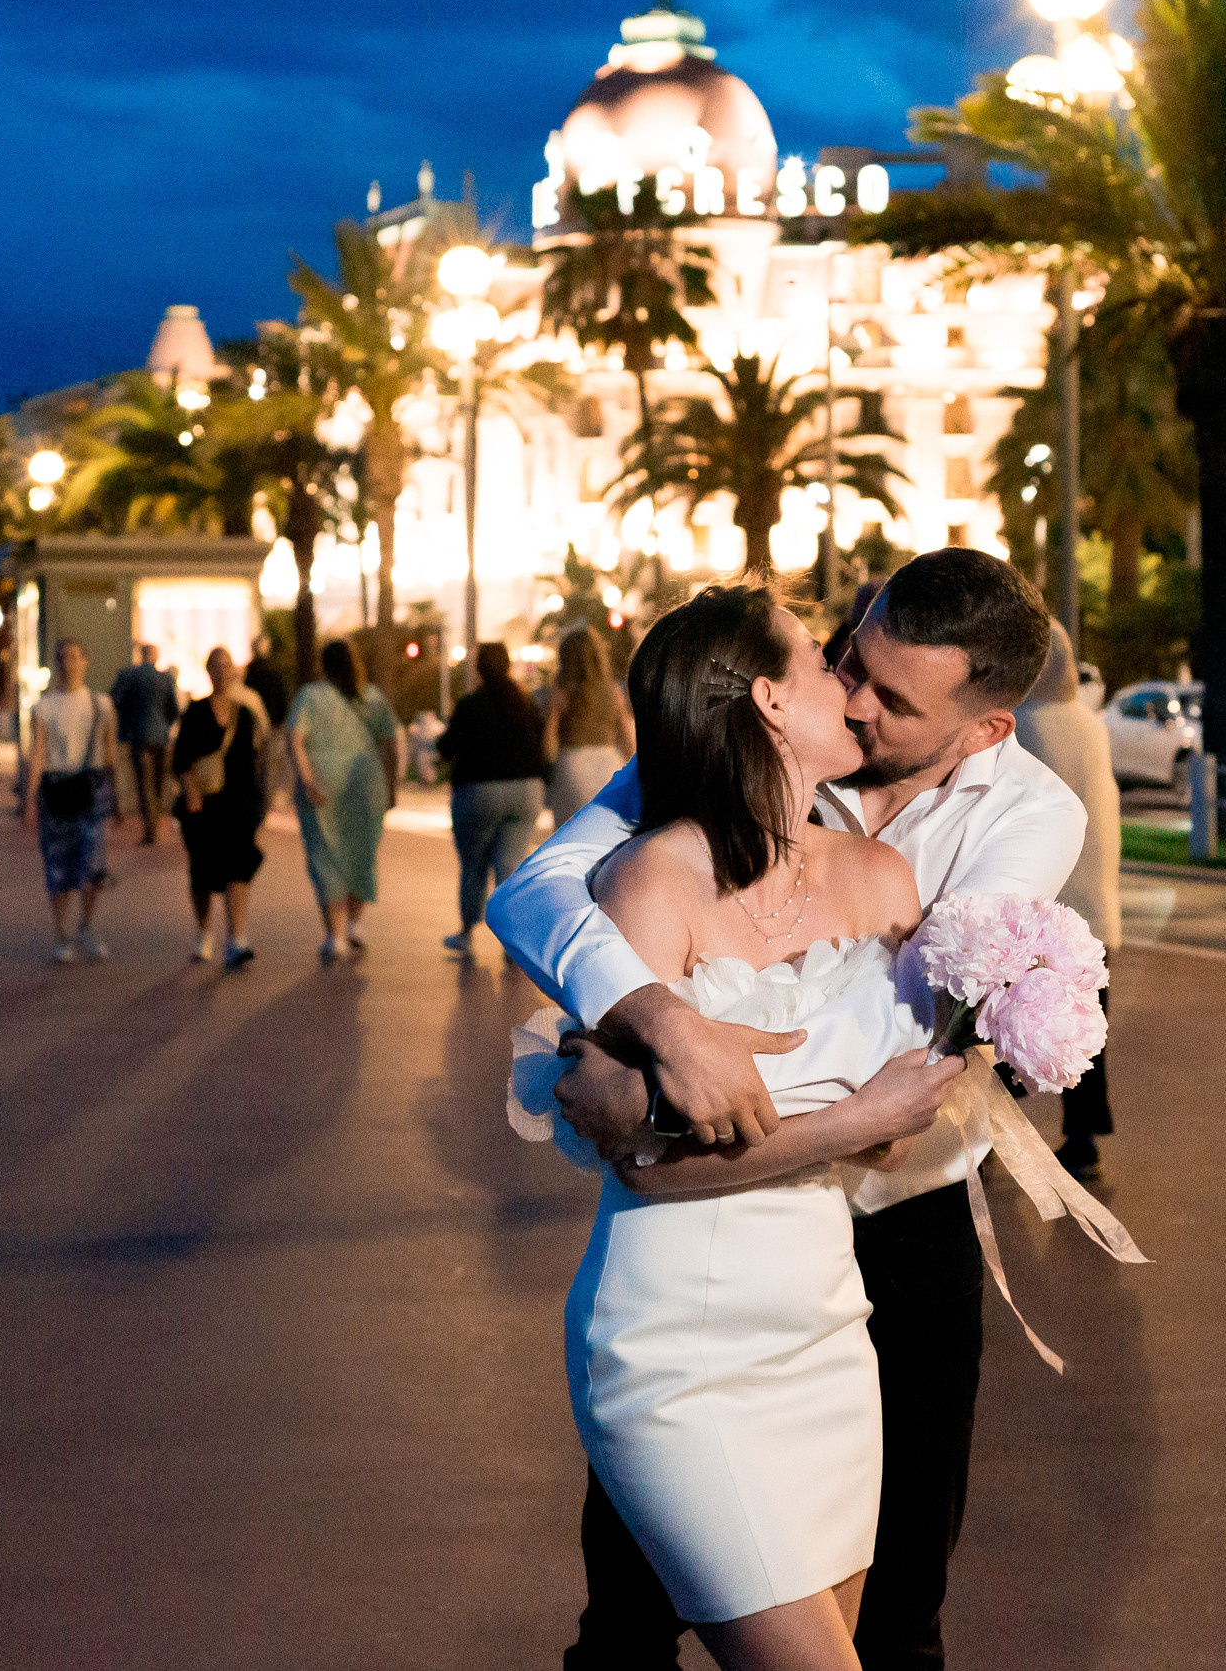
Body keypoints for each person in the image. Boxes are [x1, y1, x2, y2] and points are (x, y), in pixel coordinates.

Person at [489, 549, 1087, 1671]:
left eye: (895, 699)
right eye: (850, 658)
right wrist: (654, 1024)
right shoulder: (744, 745)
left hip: (891, 1243)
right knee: (627, 1612)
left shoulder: (1025, 824)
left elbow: (912, 1062)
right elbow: (536, 887)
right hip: (698, 1277)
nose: (856, 698)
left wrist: (631, 1082)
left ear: (985, 727)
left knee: (895, 1611)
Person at [1010, 623, 1123, 1177]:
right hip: (1094, 902)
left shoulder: (1024, 724)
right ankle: (1083, 1134)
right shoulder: (1091, 724)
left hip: (1044, 901)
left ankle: (992, 1134)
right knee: (1085, 1026)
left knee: (1006, 1021)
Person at [285, 639, 401, 961]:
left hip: (322, 784)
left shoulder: (310, 695)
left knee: (325, 856)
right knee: (361, 853)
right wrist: (392, 786)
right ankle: (352, 926)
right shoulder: (372, 696)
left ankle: (334, 935)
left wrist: (306, 779)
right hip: (366, 784)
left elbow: (295, 738)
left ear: (324, 664)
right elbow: (392, 743)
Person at [436, 642, 546, 956]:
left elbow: (446, 747)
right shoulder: (524, 704)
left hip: (479, 792)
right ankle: (514, 944)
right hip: (526, 790)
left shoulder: (471, 705)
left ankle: (467, 933)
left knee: (474, 865)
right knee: (510, 865)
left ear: (479, 669)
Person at [170, 647, 275, 969]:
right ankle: (204, 934)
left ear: (233, 672)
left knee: (239, 867)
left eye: (226, 666)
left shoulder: (245, 713)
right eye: (215, 667)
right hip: (204, 805)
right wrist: (191, 794)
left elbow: (256, 759)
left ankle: (236, 939)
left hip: (238, 803)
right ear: (208, 672)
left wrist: (259, 804)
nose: (221, 672)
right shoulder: (196, 712)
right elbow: (181, 758)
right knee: (202, 872)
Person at [24, 639, 122, 964]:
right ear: (56, 663)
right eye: (63, 658)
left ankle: (86, 926)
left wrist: (115, 794)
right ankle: (61, 933)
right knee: (58, 866)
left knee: (93, 865)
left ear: (86, 662)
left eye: (75, 657)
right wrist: (30, 800)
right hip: (56, 788)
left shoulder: (102, 704)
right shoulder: (44, 706)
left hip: (91, 788)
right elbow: (37, 752)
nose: (69, 664)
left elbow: (110, 752)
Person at [544, 627, 635, 827]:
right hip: (610, 765)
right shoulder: (613, 692)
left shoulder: (561, 691)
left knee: (572, 839)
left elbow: (548, 746)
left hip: (573, 765)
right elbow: (628, 742)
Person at [110, 643, 181, 845]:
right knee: (157, 783)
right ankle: (154, 824)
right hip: (160, 737)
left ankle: (150, 827)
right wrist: (166, 726)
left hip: (138, 736)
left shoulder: (130, 676)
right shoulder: (165, 678)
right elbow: (173, 709)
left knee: (144, 782)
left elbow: (115, 700)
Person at [243, 634, 291, 731]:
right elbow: (281, 702)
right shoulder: (274, 671)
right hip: (272, 724)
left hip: (251, 725)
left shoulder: (247, 673)